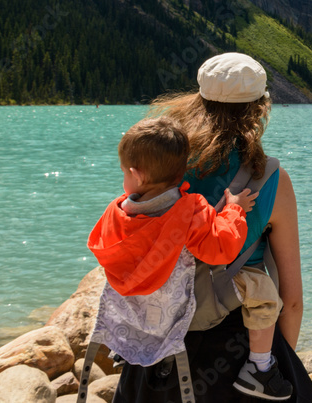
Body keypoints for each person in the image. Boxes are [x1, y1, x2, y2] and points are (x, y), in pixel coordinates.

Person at [112, 52, 309, 403]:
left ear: (197, 99)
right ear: (260, 108)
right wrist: (274, 364)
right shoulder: (272, 179)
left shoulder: (160, 169)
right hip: (237, 351)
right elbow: (291, 301)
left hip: (159, 346)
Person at [88, 115, 294, 400]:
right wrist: (233, 210)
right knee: (263, 291)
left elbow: (97, 244)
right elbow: (221, 248)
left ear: (136, 175)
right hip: (181, 308)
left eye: (123, 172)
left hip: (138, 309)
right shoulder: (190, 209)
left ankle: (132, 346)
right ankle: (260, 368)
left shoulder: (117, 212)